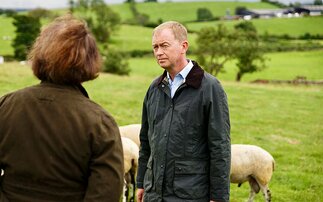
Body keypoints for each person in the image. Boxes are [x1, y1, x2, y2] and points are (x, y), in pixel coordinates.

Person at [0, 15, 124, 202]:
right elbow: (106, 195)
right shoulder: (100, 123)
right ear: (89, 61)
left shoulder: (6, 106)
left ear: (39, 55)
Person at [136, 21, 231, 202]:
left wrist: (218, 196)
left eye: (164, 45)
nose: (158, 52)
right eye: (155, 47)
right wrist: (141, 182)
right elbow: (146, 141)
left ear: (183, 46)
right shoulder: (154, 88)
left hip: (191, 195)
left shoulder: (210, 88)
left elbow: (220, 147)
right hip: (154, 194)